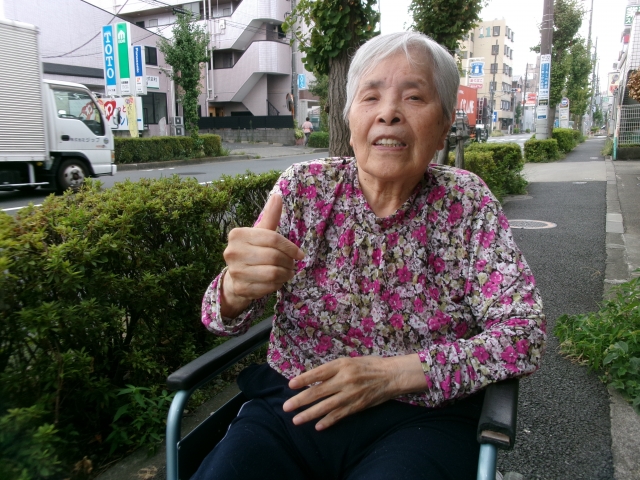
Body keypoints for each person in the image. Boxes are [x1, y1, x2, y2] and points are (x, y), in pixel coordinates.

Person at [196, 31, 545, 480]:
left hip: (423, 419)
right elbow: (217, 319)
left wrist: (393, 375)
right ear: (350, 119)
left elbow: (523, 334)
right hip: (296, 403)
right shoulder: (304, 188)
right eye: (371, 96)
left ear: (443, 126)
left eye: (414, 97)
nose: (388, 113)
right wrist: (233, 289)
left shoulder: (467, 202)